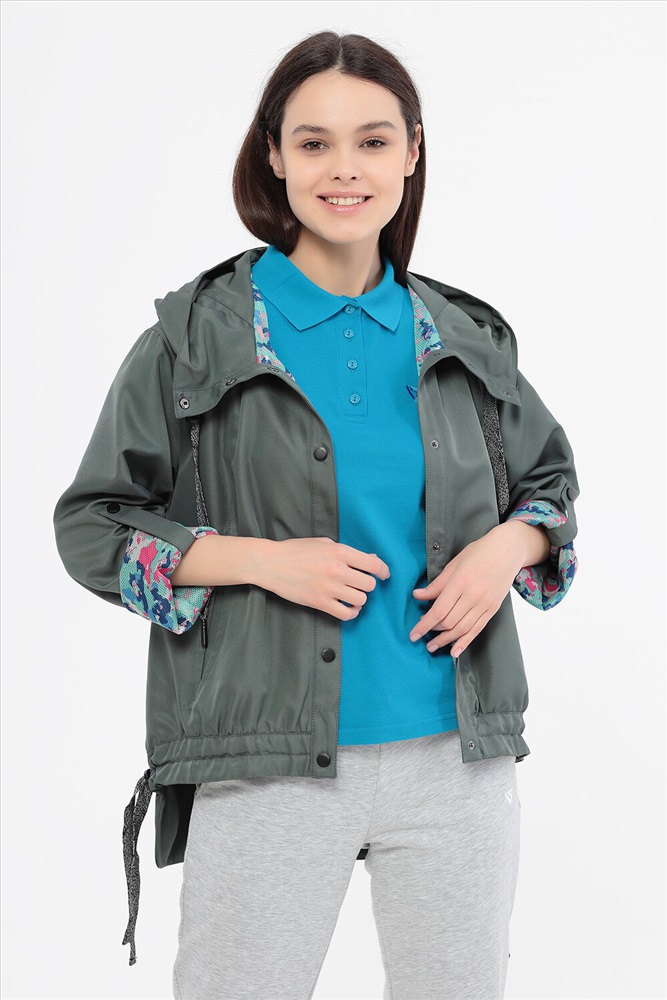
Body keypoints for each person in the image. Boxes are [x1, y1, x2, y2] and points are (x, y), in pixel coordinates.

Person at [53, 29, 579, 1000]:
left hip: (455, 758)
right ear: (273, 155)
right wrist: (256, 560)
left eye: (373, 141)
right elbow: (91, 526)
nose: (345, 168)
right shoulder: (194, 337)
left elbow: (551, 488)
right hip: (268, 762)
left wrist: (506, 545)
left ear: (411, 152)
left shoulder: (465, 336)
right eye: (313, 142)